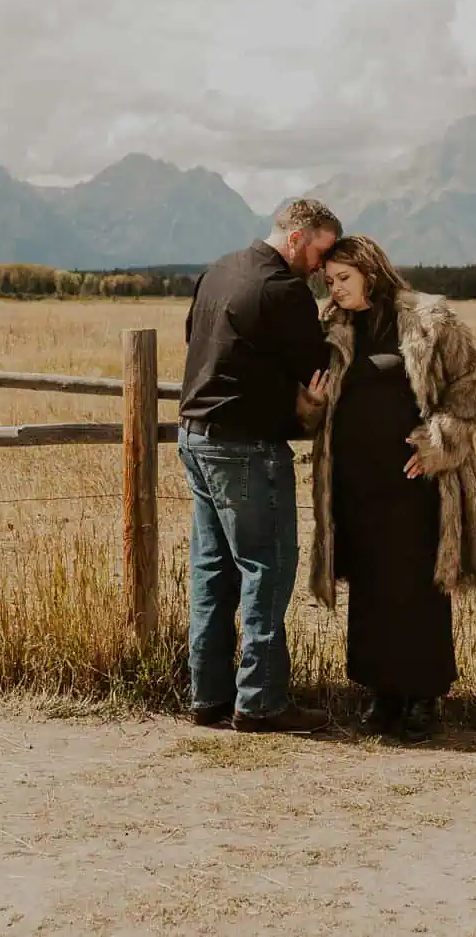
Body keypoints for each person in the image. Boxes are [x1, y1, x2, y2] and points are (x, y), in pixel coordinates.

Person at [298, 234, 476, 743]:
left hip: (415, 484)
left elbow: (471, 386)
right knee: (369, 588)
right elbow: (314, 404)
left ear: (371, 270)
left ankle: (423, 696)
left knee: (417, 587)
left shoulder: (429, 321)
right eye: (329, 281)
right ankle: (381, 694)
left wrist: (439, 442)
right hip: (353, 483)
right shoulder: (333, 329)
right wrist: (312, 404)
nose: (336, 289)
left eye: (344, 278)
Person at [178, 198, 342, 733]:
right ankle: (263, 703)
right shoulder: (284, 290)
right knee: (266, 570)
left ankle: (208, 698)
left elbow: (195, 341)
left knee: (212, 573)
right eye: (319, 252)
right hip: (246, 446)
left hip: (194, 436)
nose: (320, 267)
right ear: (297, 239)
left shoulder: (218, 269)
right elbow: (319, 369)